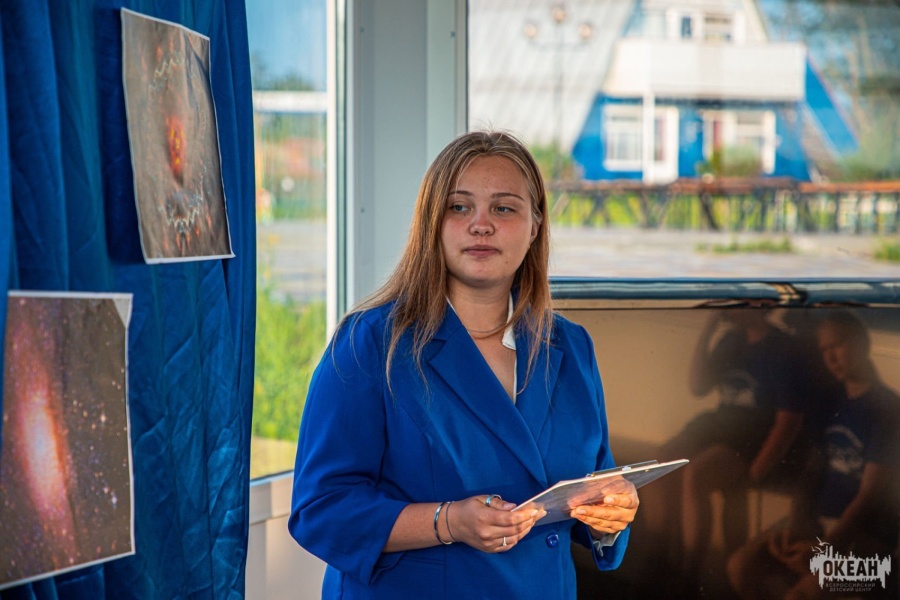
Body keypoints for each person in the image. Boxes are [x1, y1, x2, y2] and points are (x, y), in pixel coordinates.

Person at [288, 130, 639, 599]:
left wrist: (610, 517)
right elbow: (320, 509)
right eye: (459, 206)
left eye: (504, 208)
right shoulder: (369, 344)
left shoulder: (572, 347)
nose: (481, 225)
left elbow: (594, 487)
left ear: (535, 225)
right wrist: (448, 521)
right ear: (432, 223)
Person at [727, 309, 900, 599]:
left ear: (862, 343)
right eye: (824, 350)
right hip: (819, 526)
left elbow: (868, 498)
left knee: (804, 594)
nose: (831, 358)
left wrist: (824, 551)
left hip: (870, 543)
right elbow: (812, 471)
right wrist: (795, 528)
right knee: (740, 565)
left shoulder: (888, 410)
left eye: (838, 345)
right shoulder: (830, 401)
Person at [642, 306, 808, 590]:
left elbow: (788, 421)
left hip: (750, 433)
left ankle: (688, 575)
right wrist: (707, 330)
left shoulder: (783, 348)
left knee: (697, 474)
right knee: (658, 465)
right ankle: (661, 559)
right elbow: (698, 387)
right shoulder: (732, 340)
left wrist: (756, 472)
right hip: (719, 424)